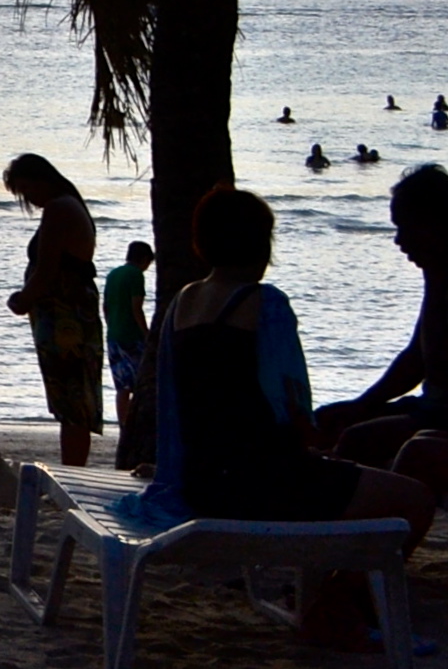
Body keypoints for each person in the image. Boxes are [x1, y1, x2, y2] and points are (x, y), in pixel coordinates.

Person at [143, 186, 434, 639]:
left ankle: (327, 597)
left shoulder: (183, 302)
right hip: (264, 485)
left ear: (202, 243)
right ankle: (338, 610)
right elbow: (294, 413)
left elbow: (173, 408)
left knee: (352, 472)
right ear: (263, 244)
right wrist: (323, 437)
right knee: (412, 499)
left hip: (203, 483)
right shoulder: (265, 304)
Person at [316, 163, 448, 479]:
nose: (399, 240)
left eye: (406, 227)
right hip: (431, 409)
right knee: (325, 422)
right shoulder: (437, 271)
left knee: (357, 439)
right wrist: (360, 405)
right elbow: (416, 358)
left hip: (440, 415)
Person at [3, 152, 103, 464]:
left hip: (65, 317)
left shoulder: (59, 208)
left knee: (70, 400)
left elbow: (47, 269)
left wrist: (23, 300)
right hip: (68, 313)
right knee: (71, 400)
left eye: (27, 190)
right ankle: (74, 468)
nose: (28, 199)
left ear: (41, 180)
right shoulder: (69, 204)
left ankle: (73, 472)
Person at [106, 238, 155, 418]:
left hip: (113, 335)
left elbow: (106, 307)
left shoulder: (113, 274)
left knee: (122, 386)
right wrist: (146, 333)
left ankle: (123, 426)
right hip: (131, 336)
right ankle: (137, 423)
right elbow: (137, 308)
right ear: (143, 259)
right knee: (141, 383)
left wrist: (112, 326)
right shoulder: (135, 275)